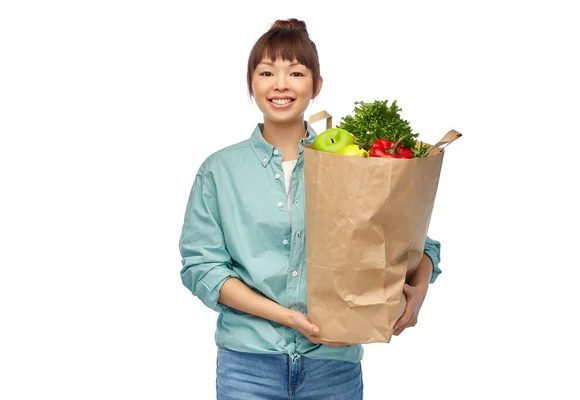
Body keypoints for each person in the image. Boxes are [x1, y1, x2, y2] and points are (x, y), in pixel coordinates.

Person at [178, 18, 442, 400]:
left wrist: (419, 288)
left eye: (296, 72)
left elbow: (413, 241)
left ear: (316, 85)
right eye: (267, 72)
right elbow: (202, 268)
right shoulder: (219, 171)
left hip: (333, 366)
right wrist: (286, 317)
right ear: (251, 82)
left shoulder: (352, 164)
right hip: (247, 365)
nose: (280, 84)